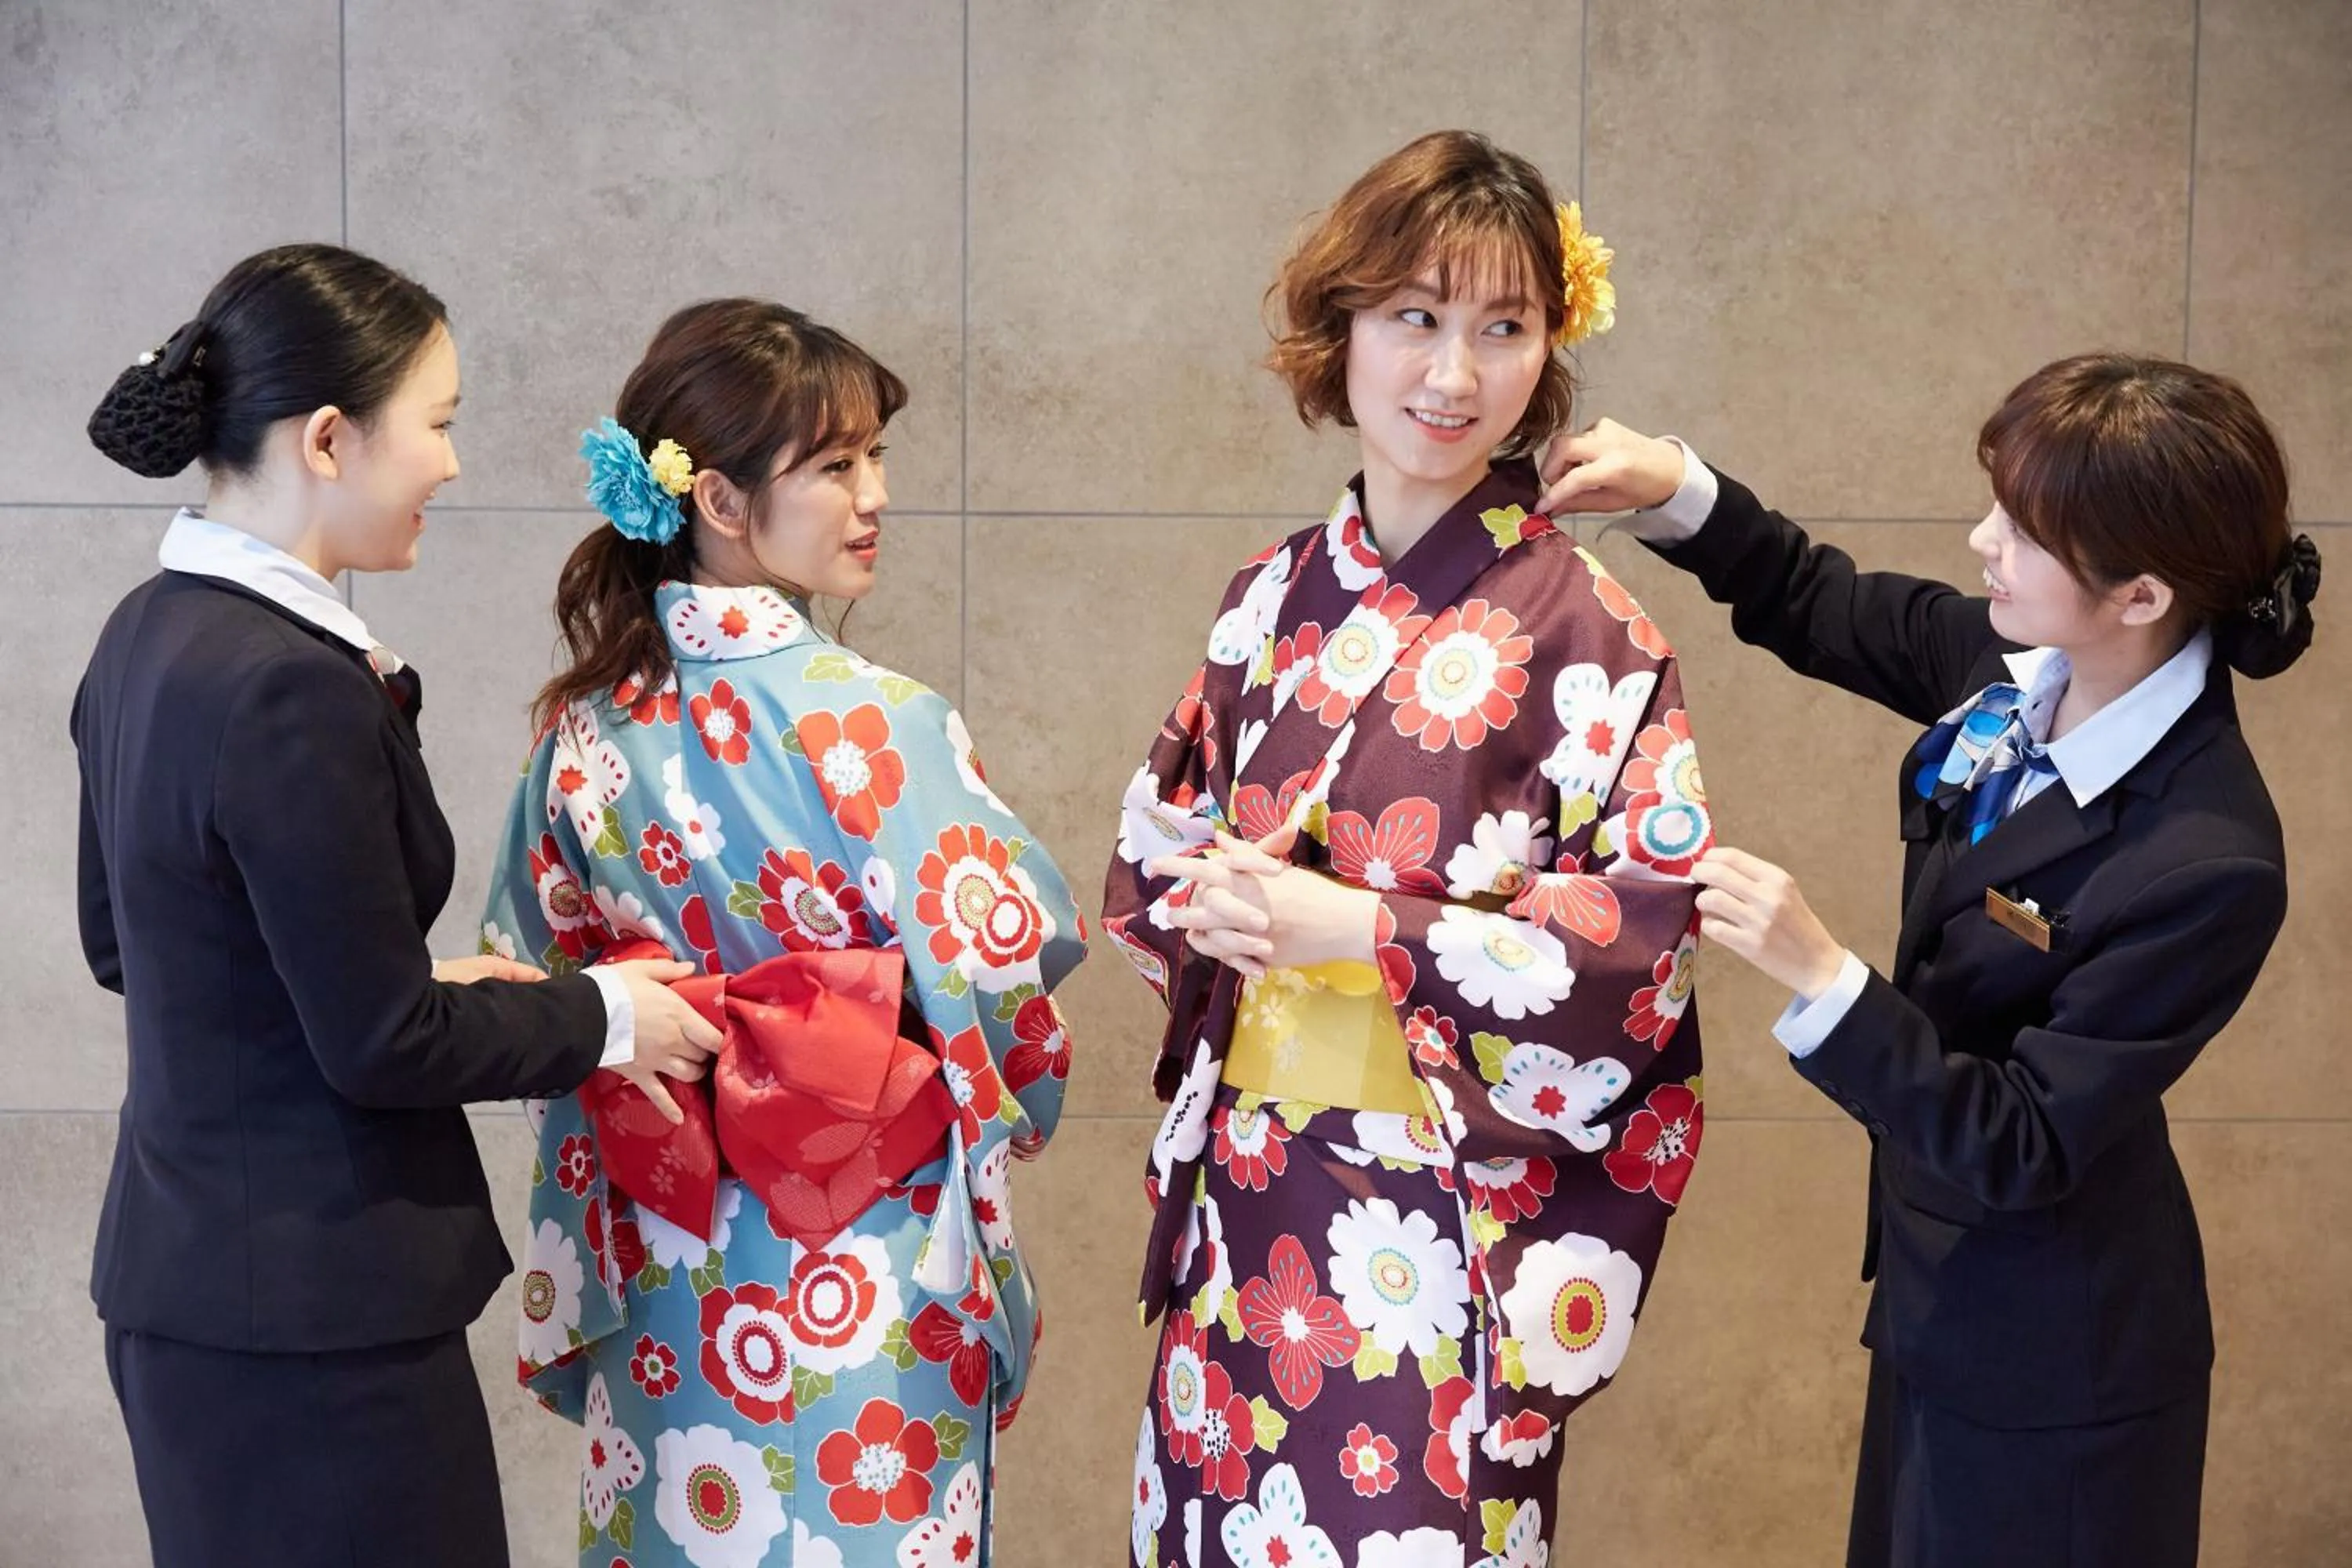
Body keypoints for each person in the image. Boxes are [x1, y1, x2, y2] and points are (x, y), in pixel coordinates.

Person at [1537, 354, 2323, 1567]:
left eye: (2022, 530)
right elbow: (1820, 601)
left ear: (2141, 595)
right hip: (1941, 1296)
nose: (1981, 541)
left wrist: (1825, 978)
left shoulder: (2209, 859)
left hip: (2063, 1367)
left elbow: (2027, 1138)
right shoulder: (2025, 675)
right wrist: (1671, 487)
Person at [1103, 131, 1713, 1566]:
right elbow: (1158, 848)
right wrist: (1214, 908)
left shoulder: (1592, 636)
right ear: (1346, 329)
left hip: (1432, 1230)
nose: (1454, 374)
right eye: (1416, 319)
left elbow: (1634, 953)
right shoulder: (1265, 600)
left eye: (1503, 329)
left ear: (1548, 352)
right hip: (1248, 1199)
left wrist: (1370, 934)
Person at [72, 241, 719, 1568]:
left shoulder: (144, 634)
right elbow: (379, 1049)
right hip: (314, 1326)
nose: (451, 465)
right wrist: (602, 1017)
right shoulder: (289, 683)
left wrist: (397, 980)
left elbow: (128, 944)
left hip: (192, 1296)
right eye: (439, 424)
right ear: (328, 437)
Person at [482, 298, 1085, 1567]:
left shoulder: (582, 732)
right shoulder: (882, 725)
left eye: (875, 455)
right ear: (715, 498)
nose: (875, 494)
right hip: (863, 1249)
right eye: (834, 464)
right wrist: (992, 1078)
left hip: (665, 1242)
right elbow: (1005, 992)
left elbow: (528, 978)